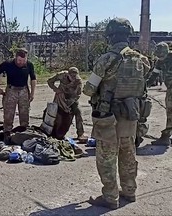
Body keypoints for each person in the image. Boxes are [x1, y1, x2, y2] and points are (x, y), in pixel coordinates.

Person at [83, 18, 150, 209]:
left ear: (110, 36)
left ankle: (110, 197)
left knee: (106, 157)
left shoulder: (106, 59)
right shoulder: (141, 59)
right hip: (131, 116)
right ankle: (129, 191)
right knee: (128, 154)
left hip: (108, 118)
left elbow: (89, 89)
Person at [0, 48, 37, 143]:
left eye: (23, 60)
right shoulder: (8, 64)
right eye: (19, 60)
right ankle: (7, 133)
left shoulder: (29, 65)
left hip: (24, 90)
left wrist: (32, 93)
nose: (21, 62)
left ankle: (24, 131)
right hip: (11, 90)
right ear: (16, 57)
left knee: (24, 112)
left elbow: (33, 79)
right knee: (9, 113)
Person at [47, 67, 87, 140]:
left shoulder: (78, 81)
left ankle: (80, 133)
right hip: (60, 97)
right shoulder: (62, 75)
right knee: (55, 113)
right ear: (68, 74)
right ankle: (51, 131)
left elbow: (77, 95)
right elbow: (50, 81)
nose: (73, 78)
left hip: (71, 99)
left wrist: (68, 104)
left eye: (75, 76)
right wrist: (56, 89)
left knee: (78, 112)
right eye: (72, 76)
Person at [147, 42, 172, 146]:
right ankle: (167, 135)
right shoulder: (159, 62)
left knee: (170, 111)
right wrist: (145, 85)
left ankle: (166, 136)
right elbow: (154, 75)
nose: (160, 58)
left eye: (162, 56)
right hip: (170, 88)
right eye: (158, 56)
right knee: (169, 110)